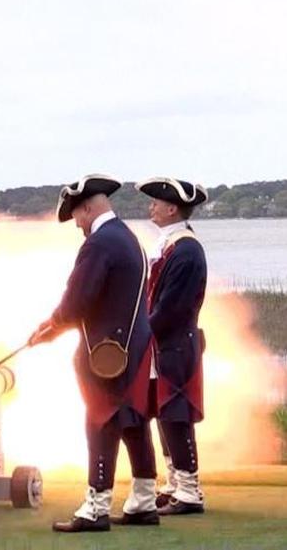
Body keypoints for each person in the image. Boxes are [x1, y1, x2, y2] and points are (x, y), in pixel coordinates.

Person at [28, 174, 158, 532]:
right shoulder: (129, 239)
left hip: (106, 354)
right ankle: (144, 501)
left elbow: (77, 301)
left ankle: (96, 507)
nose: (79, 225)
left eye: (78, 217)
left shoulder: (100, 244)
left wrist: (50, 326)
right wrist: (54, 327)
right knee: (133, 424)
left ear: (88, 208)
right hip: (133, 349)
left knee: (100, 423)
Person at [136, 177, 209, 515]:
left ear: (171, 209)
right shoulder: (172, 245)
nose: (151, 206)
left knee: (176, 415)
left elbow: (171, 308)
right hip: (164, 345)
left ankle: (190, 492)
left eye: (156, 202)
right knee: (164, 414)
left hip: (176, 345)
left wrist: (141, 332)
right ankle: (175, 484)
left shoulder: (187, 250)